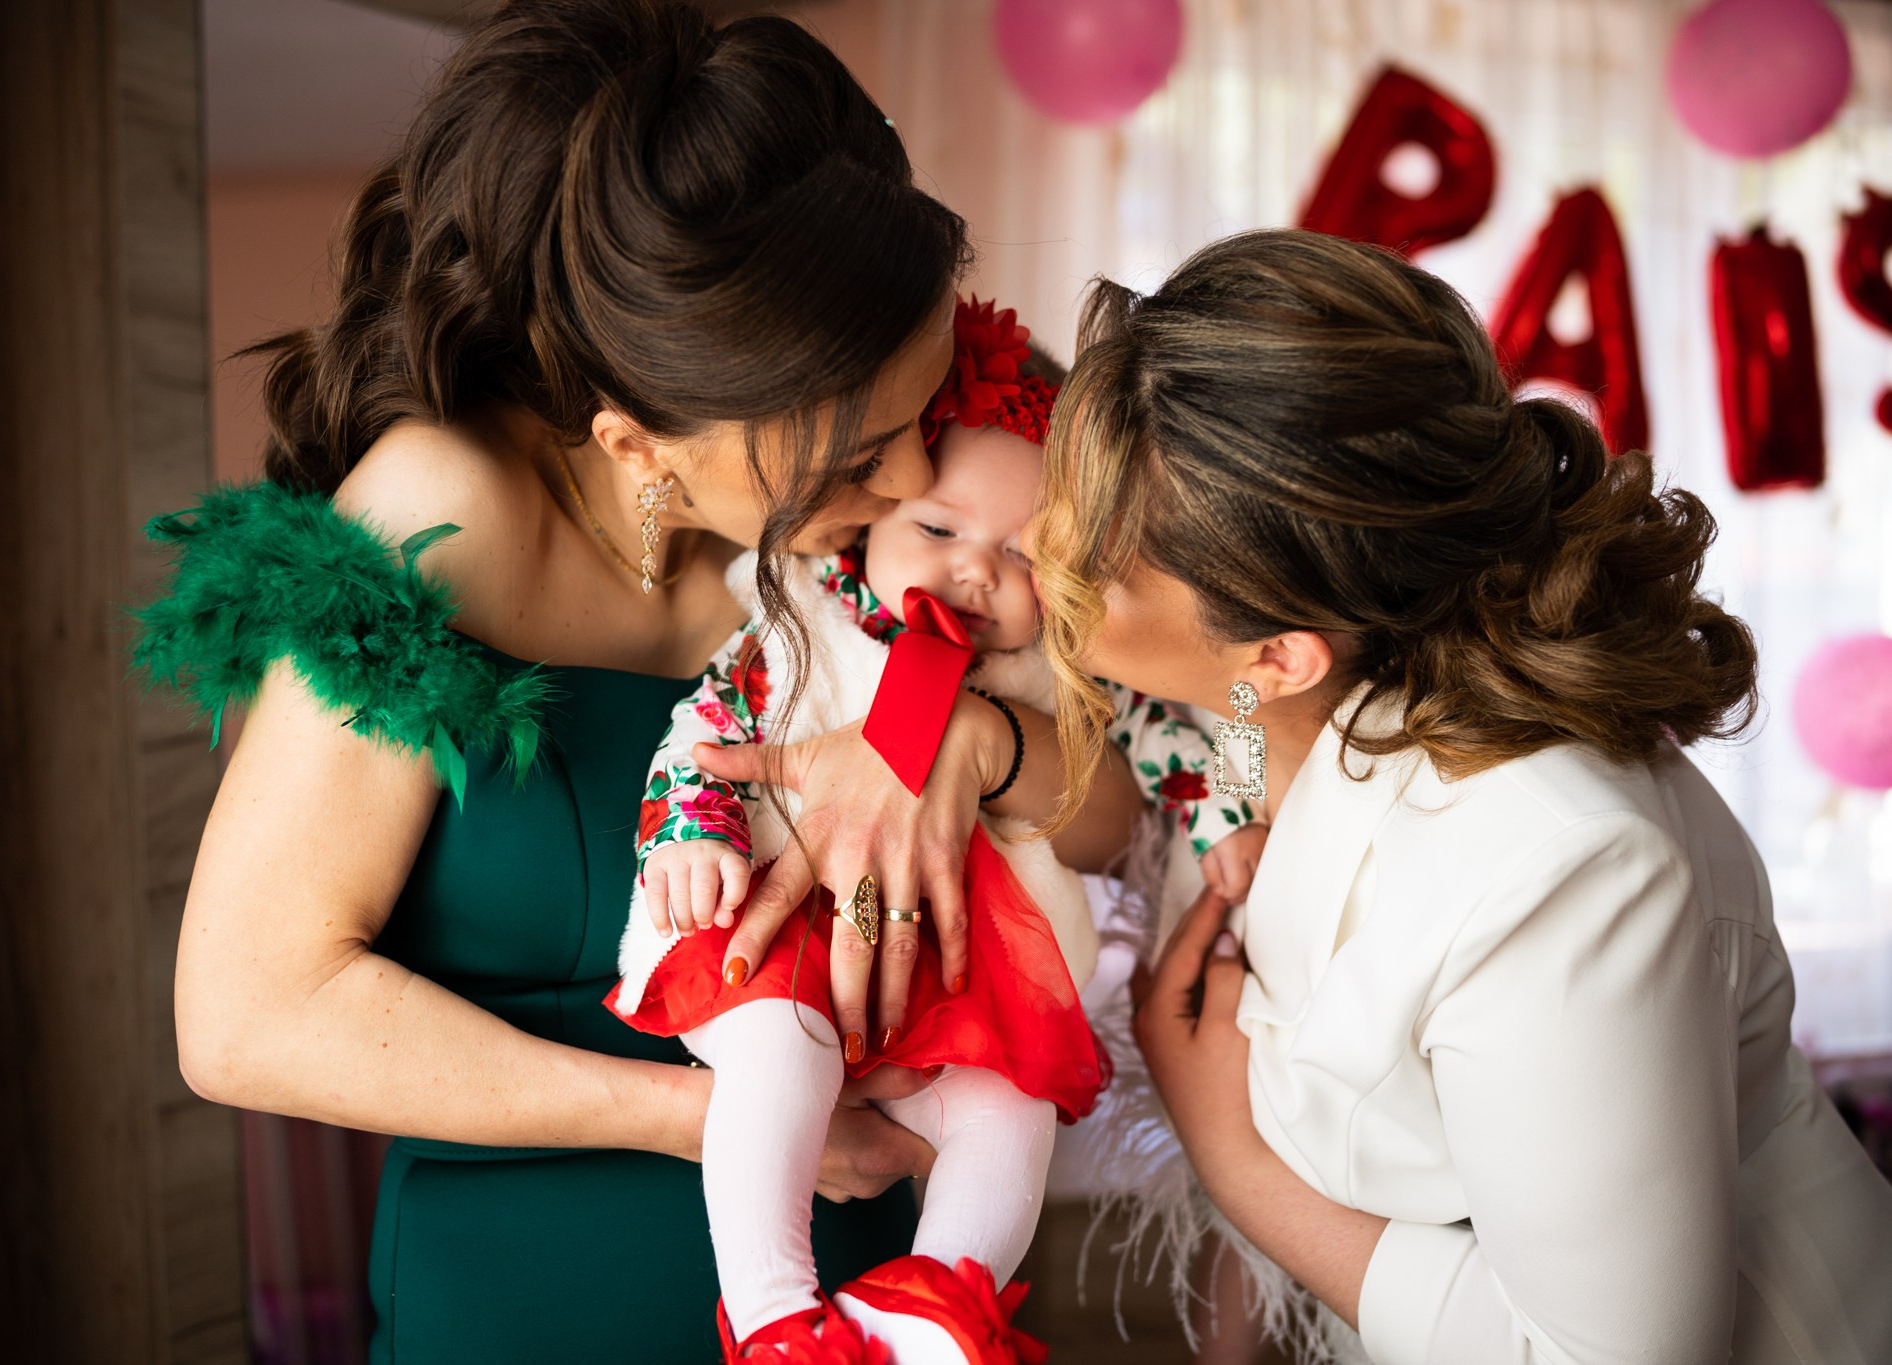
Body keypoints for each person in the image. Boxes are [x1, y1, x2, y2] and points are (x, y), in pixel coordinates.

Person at [135, 4, 1142, 1360]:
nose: (910, 485)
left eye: (918, 421)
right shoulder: (438, 516)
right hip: (532, 1297)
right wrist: (713, 1118)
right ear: (642, 437)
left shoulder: (865, 548)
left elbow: (1125, 813)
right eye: (855, 454)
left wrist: (963, 741)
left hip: (877, 1296)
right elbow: (247, 1016)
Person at [1028, 228, 1892, 1365]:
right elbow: (1227, 731)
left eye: (1088, 556)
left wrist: (1224, 1146)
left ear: (1281, 652)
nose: (1031, 542)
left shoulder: (1556, 872)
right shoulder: (1260, 698)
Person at [607, 297, 1268, 1361]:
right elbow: (705, 731)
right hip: (777, 942)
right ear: (865, 524)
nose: (976, 572)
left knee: (1008, 1116)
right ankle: (774, 1311)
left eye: (1026, 556)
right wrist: (689, 831)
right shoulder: (801, 618)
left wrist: (1224, 810)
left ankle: (929, 1306)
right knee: (774, 1063)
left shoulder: (1058, 663)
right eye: (938, 531)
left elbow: (1195, 727)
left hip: (965, 971)